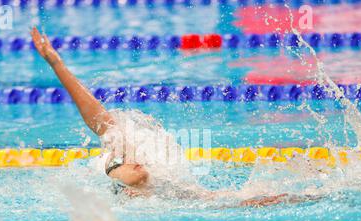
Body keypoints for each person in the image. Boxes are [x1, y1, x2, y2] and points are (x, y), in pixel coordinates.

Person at [31, 27, 317, 207]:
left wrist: (57, 64)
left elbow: (95, 115)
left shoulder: (150, 178)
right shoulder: (125, 177)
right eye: (129, 162)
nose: (138, 163)